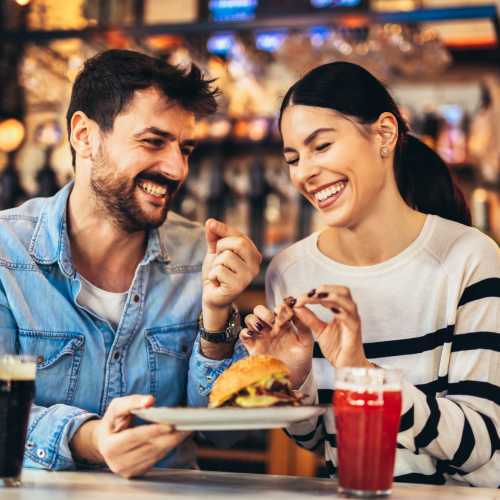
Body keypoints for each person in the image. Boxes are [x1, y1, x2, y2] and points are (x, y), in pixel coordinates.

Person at [0, 49, 261, 478]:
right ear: (84, 135)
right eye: (153, 142)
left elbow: (225, 432)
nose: (177, 168)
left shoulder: (202, 254)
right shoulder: (9, 254)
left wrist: (217, 320)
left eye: (185, 148)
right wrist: (90, 439)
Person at [241, 62, 499, 487]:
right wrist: (294, 378)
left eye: (321, 146)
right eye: (293, 158)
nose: (304, 172)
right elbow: (316, 439)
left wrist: (362, 375)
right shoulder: (290, 271)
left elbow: (478, 442)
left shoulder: (469, 258)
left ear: (384, 134)